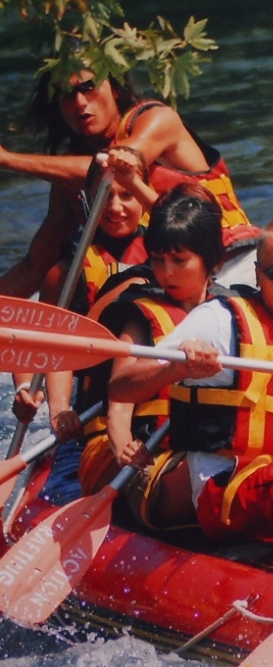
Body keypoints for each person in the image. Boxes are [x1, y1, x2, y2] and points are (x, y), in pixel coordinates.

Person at [108, 218, 273, 545]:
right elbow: (120, 387)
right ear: (258, 274)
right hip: (225, 491)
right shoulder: (219, 321)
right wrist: (177, 368)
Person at [37, 186, 227, 520]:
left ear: (212, 259)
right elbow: (119, 403)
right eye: (158, 260)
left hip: (192, 443)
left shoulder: (233, 310)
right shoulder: (140, 313)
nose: (166, 272)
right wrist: (123, 442)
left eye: (179, 261)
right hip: (129, 447)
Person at [0, 69, 258, 298]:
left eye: (89, 87)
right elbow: (35, 266)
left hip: (233, 262)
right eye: (66, 94)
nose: (80, 102)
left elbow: (108, 167)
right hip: (167, 280)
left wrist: (7, 159)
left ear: (114, 87)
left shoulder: (157, 120)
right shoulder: (68, 177)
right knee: (60, 274)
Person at [11, 150, 157, 439]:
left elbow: (186, 218)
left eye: (127, 195)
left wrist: (135, 182)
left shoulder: (168, 247)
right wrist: (49, 403)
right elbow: (49, 344)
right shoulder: (68, 270)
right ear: (88, 198)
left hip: (157, 383)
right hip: (98, 398)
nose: (115, 207)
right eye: (105, 196)